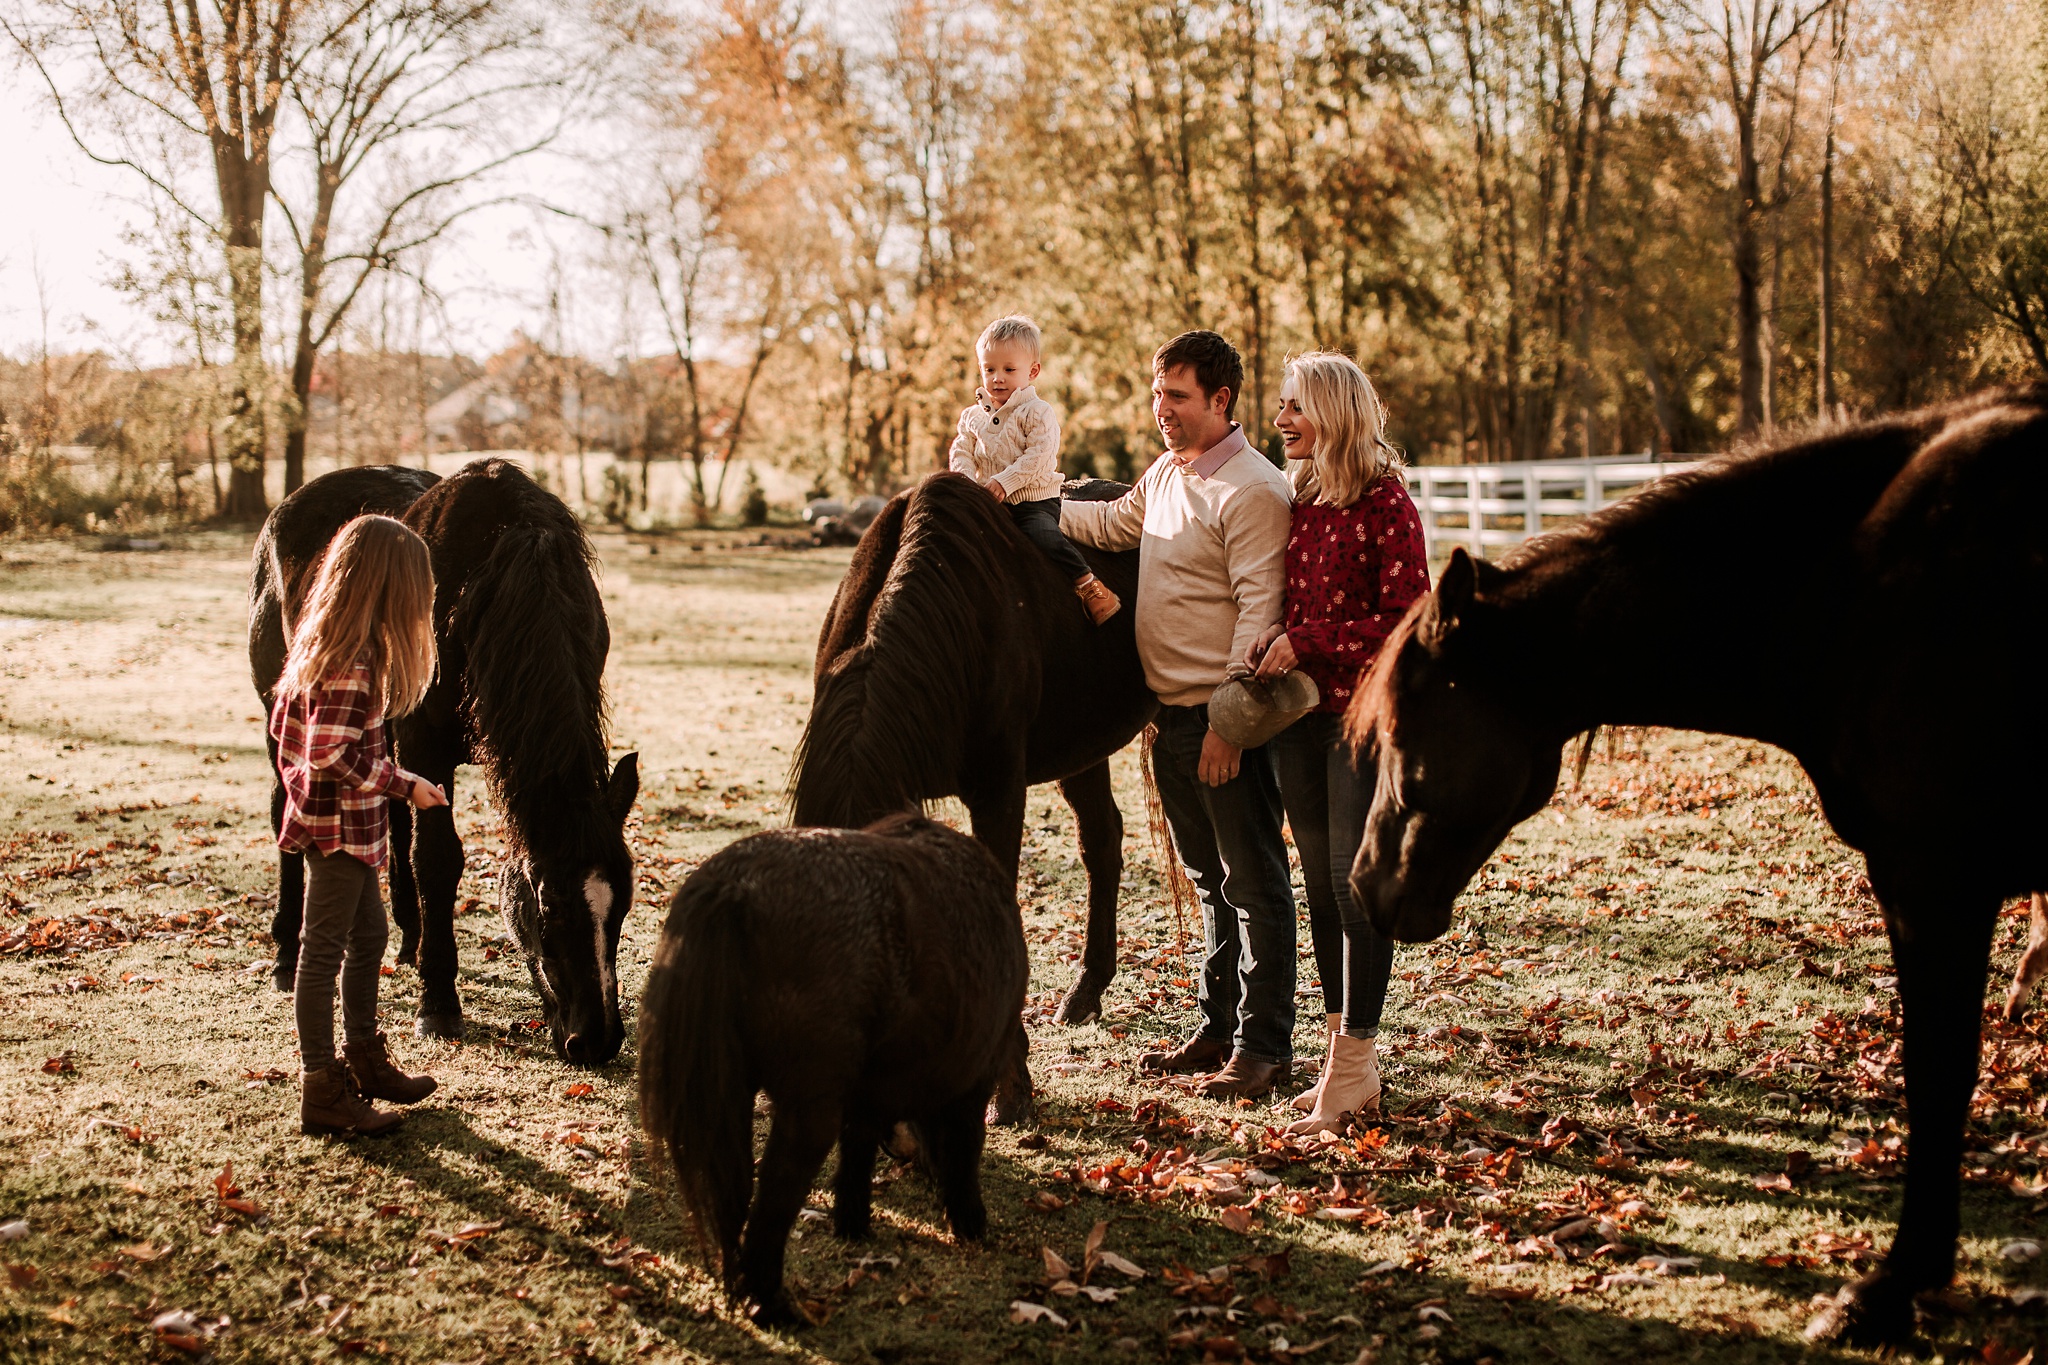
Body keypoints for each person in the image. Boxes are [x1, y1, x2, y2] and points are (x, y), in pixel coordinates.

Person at [1062, 330, 1299, 1098]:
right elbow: (1110, 526)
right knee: (1209, 881)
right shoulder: (1168, 471)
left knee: (1255, 883)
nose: (1160, 408)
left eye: (1177, 395)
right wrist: (1032, 498)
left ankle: (1263, 1049)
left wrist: (1229, 726)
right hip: (1168, 718)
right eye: (1156, 392)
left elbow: (1259, 619)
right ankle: (1217, 1028)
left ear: (1221, 399)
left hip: (1221, 722)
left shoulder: (1254, 490)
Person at [1247, 352, 1429, 1135]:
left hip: (1359, 723)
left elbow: (1407, 618)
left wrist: (1306, 640)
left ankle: (1356, 1064)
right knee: (1319, 887)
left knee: (1354, 887)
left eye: (1296, 406)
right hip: (1300, 719)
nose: (1282, 419)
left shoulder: (1386, 502)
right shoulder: (1305, 496)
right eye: (1282, 406)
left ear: (1334, 410)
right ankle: (1338, 1065)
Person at [269, 514, 447, 1136]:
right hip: (340, 829)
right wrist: (407, 786)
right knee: (321, 954)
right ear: (389, 586)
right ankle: (322, 1087)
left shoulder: (323, 642)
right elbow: (332, 753)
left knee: (369, 937)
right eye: (418, 587)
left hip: (345, 825)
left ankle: (366, 1059)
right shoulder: (355, 658)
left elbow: (288, 733)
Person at [950, 314, 1121, 625]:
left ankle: (1088, 584)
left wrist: (1004, 482)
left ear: (1033, 371)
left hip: (1032, 501)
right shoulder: (972, 416)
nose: (997, 378)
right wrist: (965, 483)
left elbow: (1039, 456)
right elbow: (961, 449)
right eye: (989, 369)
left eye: (1008, 370)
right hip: (987, 499)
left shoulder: (1037, 412)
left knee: (1042, 536)